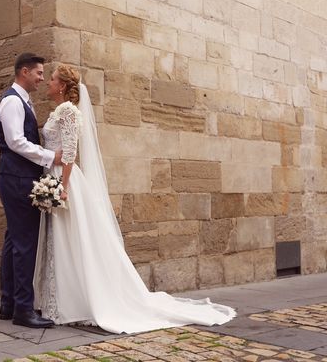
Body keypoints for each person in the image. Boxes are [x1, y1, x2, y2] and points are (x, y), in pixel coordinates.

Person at [34, 64, 236, 334]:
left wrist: (63, 187)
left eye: (52, 79)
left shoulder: (69, 111)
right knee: (59, 241)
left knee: (68, 240)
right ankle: (56, 301)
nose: (47, 82)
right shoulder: (59, 111)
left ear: (62, 86)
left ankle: (73, 302)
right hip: (52, 174)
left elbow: (70, 152)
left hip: (63, 180)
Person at [0, 53, 62, 329]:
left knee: (14, 241)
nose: (42, 78)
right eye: (39, 73)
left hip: (16, 177)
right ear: (24, 71)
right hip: (17, 178)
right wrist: (50, 157)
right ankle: (23, 309)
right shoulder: (13, 101)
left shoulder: (21, 101)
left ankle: (8, 303)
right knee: (24, 244)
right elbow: (16, 142)